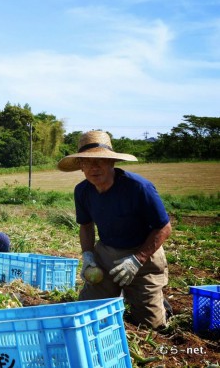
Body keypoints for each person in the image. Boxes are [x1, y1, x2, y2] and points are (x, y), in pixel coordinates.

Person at [58, 130, 171, 330]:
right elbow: (86, 226)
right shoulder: (82, 191)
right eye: (87, 162)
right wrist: (88, 256)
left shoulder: (138, 188)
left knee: (150, 325)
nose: (94, 167)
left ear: (111, 162)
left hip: (144, 255)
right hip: (107, 252)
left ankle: (156, 302)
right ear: (81, 167)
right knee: (86, 312)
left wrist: (137, 260)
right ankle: (119, 292)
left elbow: (163, 227)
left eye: (100, 160)